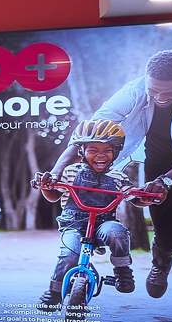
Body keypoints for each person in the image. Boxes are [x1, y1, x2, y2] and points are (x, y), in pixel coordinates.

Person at [53, 49, 172, 297]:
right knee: (166, 230)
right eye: (153, 90)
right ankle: (161, 262)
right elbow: (88, 135)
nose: (160, 97)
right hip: (158, 158)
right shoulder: (133, 91)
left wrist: (169, 180)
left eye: (169, 93)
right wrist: (57, 171)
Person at [36, 120, 140, 310]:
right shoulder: (70, 171)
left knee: (117, 232)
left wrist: (143, 196)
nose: (101, 155)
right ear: (81, 152)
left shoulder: (118, 176)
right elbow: (53, 196)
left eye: (107, 150)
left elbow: (133, 195)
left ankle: (123, 271)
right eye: (93, 150)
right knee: (69, 255)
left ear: (115, 152)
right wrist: (46, 187)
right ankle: (55, 291)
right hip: (74, 225)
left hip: (103, 224)